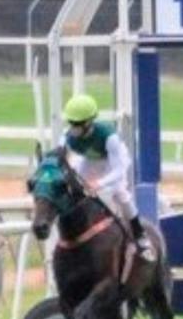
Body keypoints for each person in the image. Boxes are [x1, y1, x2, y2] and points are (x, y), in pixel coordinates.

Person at [61, 94, 154, 261]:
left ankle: (140, 235)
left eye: (77, 124)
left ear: (89, 122)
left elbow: (119, 168)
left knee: (120, 193)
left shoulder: (109, 137)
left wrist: (100, 183)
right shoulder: (67, 136)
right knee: (73, 190)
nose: (73, 127)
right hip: (90, 160)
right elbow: (59, 158)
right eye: (71, 123)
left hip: (114, 162)